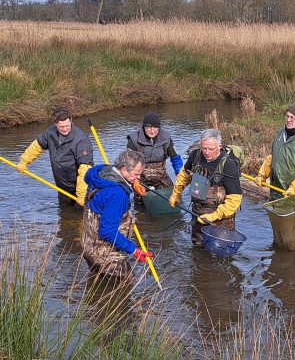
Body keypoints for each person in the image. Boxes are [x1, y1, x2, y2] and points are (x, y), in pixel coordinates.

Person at [82, 149, 153, 279]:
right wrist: (134, 251)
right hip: (104, 254)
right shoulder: (117, 194)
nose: (139, 178)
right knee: (126, 285)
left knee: (97, 284)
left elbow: (87, 176)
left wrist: (132, 182)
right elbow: (107, 231)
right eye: (136, 174)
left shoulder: (100, 171)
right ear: (124, 170)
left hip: (88, 245)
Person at [169, 128, 242, 238]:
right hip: (197, 213)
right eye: (204, 148)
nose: (207, 152)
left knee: (218, 252)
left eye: (211, 149)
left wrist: (215, 216)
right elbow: (184, 175)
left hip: (220, 220)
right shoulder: (195, 156)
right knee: (198, 248)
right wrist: (176, 193)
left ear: (219, 147)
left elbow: (235, 199)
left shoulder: (228, 165)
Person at [17, 107, 94, 205]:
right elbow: (37, 146)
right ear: (55, 124)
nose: (65, 129)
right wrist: (24, 161)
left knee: (80, 217)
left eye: (67, 125)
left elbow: (85, 168)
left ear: (71, 121)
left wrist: (82, 193)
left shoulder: (81, 139)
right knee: (64, 215)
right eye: (61, 127)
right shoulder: (50, 132)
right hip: (61, 186)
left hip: (80, 187)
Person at [126, 111, 183, 189]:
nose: (152, 131)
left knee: (172, 195)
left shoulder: (166, 138)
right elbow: (128, 163)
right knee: (140, 197)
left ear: (159, 127)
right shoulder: (133, 140)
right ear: (144, 127)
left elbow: (175, 158)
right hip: (140, 178)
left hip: (161, 177)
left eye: (155, 127)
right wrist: (134, 180)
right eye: (149, 127)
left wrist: (179, 173)